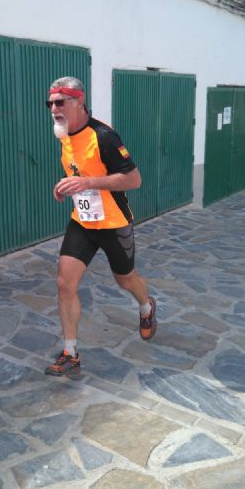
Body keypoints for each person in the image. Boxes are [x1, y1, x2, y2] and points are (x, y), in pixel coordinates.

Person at [44, 76, 157, 376]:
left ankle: (147, 308)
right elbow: (78, 173)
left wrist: (88, 182)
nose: (53, 108)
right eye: (50, 103)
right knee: (65, 284)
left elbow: (134, 179)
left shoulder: (104, 136)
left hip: (113, 222)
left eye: (60, 102)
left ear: (79, 102)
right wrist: (66, 187)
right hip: (83, 222)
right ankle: (70, 353)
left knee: (126, 280)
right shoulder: (64, 134)